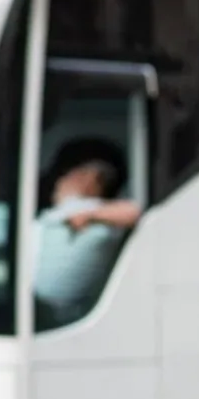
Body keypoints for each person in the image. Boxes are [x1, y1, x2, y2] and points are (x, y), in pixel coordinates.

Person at [33, 138, 141, 329]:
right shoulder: (57, 215)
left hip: (50, 315)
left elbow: (135, 211)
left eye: (67, 175)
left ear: (89, 178)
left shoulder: (100, 222)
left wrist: (89, 215)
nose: (59, 182)